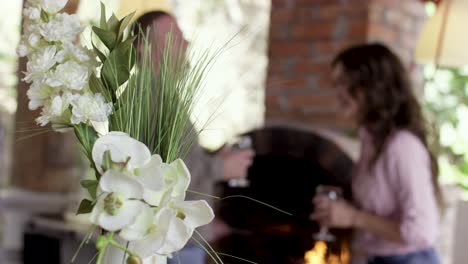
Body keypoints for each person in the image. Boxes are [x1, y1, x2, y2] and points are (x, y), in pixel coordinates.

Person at [134, 11, 255, 264]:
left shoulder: (159, 95)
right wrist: (222, 167)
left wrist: (213, 156)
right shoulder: (150, 97)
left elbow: (171, 158)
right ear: (143, 49)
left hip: (179, 240)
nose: (186, 44)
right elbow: (168, 174)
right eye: (175, 37)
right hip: (172, 245)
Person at [311, 43, 442, 264]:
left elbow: (422, 231)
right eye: (336, 83)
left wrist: (353, 217)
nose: (337, 92)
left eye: (344, 83)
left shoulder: (402, 146)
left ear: (372, 87)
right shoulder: (371, 141)